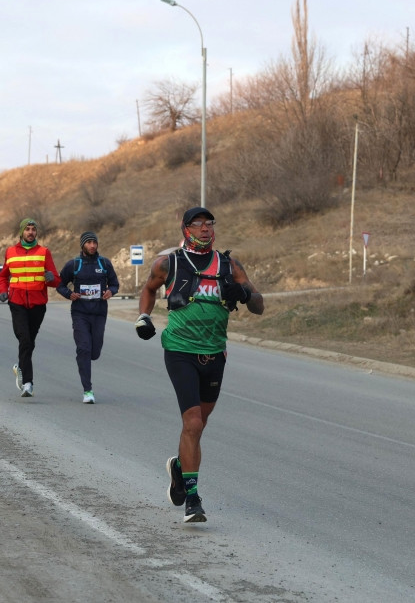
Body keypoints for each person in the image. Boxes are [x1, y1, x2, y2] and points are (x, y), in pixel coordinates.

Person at [134, 207, 264, 523]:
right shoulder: (169, 263)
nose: (205, 228)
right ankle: (193, 499)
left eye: (209, 223)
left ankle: (180, 468)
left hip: (214, 354)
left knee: (199, 425)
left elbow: (259, 306)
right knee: (192, 423)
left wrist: (245, 292)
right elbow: (149, 289)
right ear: (186, 229)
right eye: (198, 224)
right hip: (180, 350)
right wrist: (143, 317)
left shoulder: (229, 265)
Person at [0, 218, 60, 397]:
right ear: (21, 232)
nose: (31, 232)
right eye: (27, 229)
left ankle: (20, 369)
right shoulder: (10, 252)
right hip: (16, 303)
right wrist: (3, 290)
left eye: (33, 229)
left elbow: (56, 279)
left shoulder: (44, 252)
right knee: (24, 339)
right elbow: (2, 276)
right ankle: (28, 383)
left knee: (29, 343)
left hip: (38, 305)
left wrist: (51, 278)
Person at [56, 231, 120, 404]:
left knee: (94, 352)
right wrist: (69, 294)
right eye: (89, 242)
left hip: (99, 313)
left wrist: (110, 291)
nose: (92, 245)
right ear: (83, 245)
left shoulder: (104, 263)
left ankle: (86, 356)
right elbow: (59, 284)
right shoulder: (74, 264)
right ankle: (88, 390)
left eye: (95, 242)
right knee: (84, 348)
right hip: (80, 313)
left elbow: (115, 284)